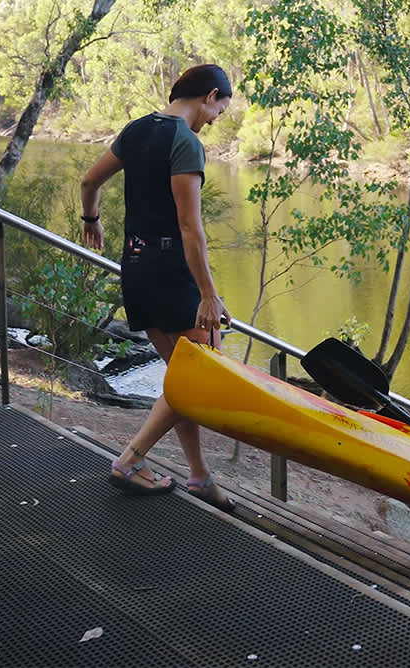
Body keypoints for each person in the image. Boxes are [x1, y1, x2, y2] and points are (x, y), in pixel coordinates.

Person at [79, 63, 236, 512]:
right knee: (199, 378)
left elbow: (89, 181)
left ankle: (200, 475)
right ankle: (130, 460)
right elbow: (191, 228)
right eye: (219, 110)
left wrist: (92, 220)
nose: (215, 119)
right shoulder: (184, 142)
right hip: (172, 274)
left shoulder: (136, 130)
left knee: (182, 378)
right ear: (209, 96)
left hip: (137, 267)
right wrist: (208, 293)